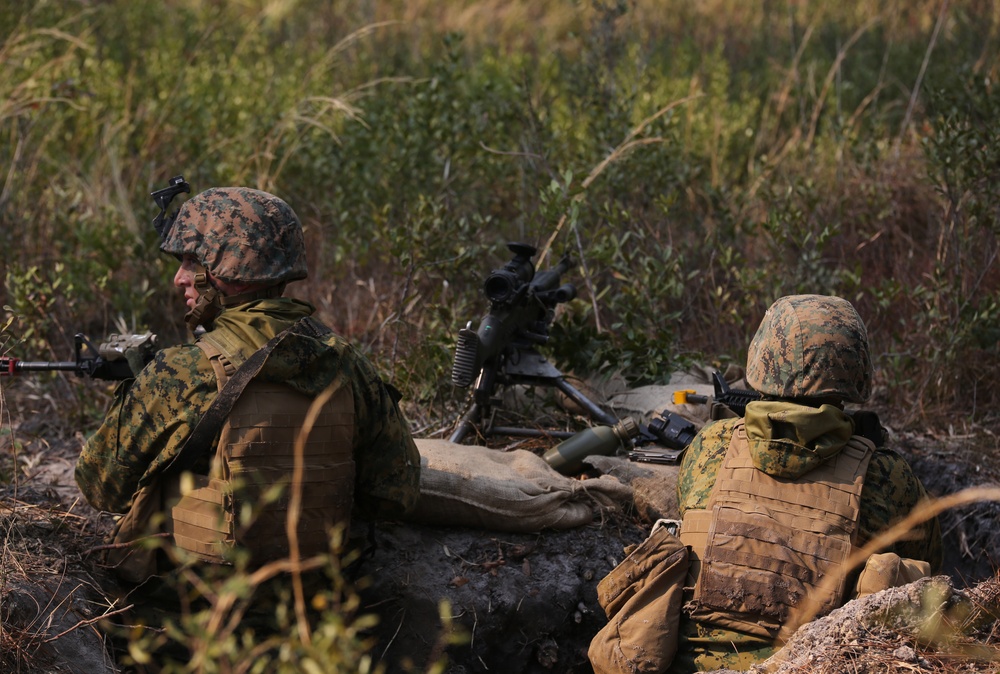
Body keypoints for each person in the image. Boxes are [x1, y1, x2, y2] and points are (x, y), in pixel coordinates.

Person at [75, 186, 421, 580]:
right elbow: (396, 496)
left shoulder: (180, 373)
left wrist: (138, 395)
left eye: (191, 261)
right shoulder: (348, 364)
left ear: (228, 271)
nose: (179, 278)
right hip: (318, 613)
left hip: (191, 618)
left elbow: (100, 487)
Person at [589, 294, 942, 674]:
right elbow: (930, 567)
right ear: (856, 369)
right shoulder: (888, 475)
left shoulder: (712, 444)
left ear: (762, 360)